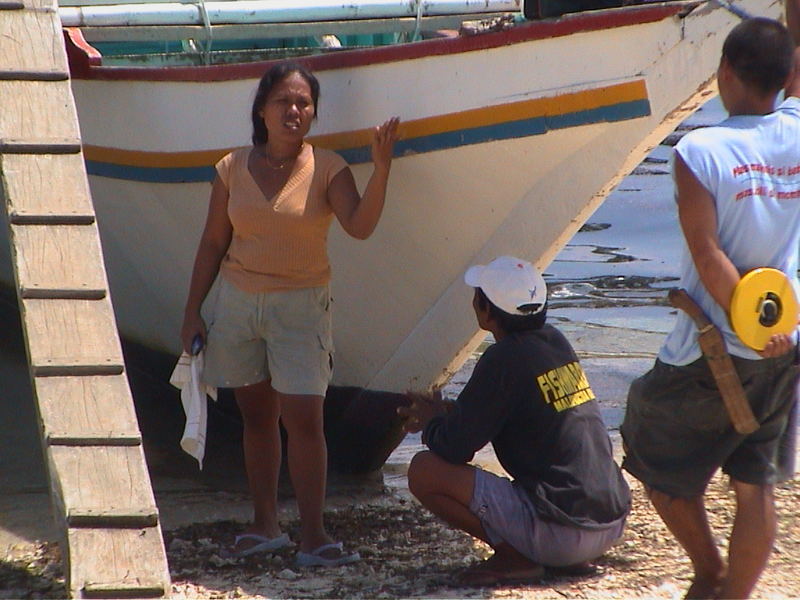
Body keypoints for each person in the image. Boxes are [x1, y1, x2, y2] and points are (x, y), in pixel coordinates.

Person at [180, 61, 399, 566]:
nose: (294, 111)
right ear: (262, 109)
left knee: (305, 421)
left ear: (314, 113)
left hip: (302, 307)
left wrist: (382, 168)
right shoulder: (231, 167)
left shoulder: (328, 168)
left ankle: (314, 537)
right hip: (237, 303)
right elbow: (213, 242)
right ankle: (265, 525)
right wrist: (192, 311)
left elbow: (360, 226)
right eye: (284, 101)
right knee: (256, 419)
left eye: (303, 103)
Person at [621, 18, 800, 599]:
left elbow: (707, 252)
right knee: (756, 485)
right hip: (786, 342)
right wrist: (774, 329)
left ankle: (711, 573)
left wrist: (753, 324)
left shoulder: (701, 149)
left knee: (654, 461)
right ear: (787, 75)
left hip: (716, 345)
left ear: (725, 72)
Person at [399, 256, 631, 586]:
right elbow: (520, 411)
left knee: (424, 470)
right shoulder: (554, 342)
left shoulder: (503, 358)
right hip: (610, 522)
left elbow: (454, 449)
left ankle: (515, 558)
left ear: (486, 312)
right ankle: (558, 555)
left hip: (563, 533)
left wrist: (432, 423)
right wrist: (449, 415)